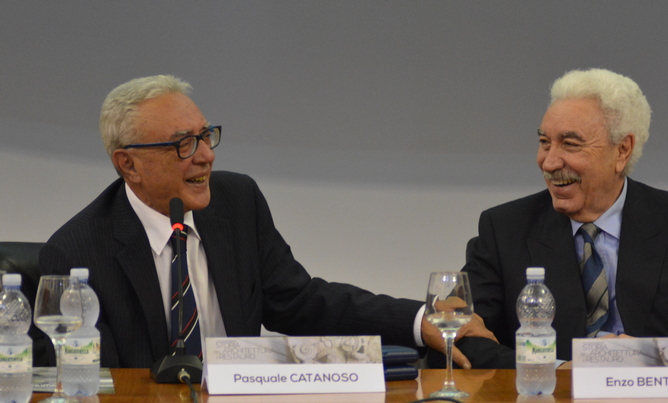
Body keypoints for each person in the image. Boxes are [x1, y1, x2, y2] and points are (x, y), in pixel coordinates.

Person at [38, 75, 495, 369]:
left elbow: (301, 302)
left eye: (205, 136)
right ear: (128, 164)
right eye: (183, 145)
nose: (206, 155)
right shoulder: (77, 252)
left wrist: (419, 320)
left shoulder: (236, 203)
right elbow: (91, 384)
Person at [439, 68, 668, 370]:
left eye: (570, 144)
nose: (549, 161)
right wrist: (559, 371)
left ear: (622, 150)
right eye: (545, 142)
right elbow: (458, 335)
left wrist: (656, 360)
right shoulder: (505, 229)